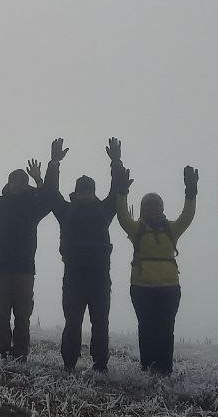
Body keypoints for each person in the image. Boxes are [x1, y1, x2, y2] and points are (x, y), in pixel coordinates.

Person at [0, 139, 63, 361]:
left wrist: (51, 167)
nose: (17, 184)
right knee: (0, 314)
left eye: (22, 182)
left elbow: (50, 195)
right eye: (14, 181)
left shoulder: (34, 207)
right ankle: (4, 352)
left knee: (23, 315)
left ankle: (20, 354)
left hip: (23, 270)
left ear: (26, 185)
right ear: (9, 183)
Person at [112, 148, 198, 376]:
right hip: (142, 287)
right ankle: (148, 368)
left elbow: (187, 216)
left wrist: (191, 193)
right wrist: (121, 193)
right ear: (142, 209)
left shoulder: (172, 228)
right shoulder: (137, 228)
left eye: (155, 204)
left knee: (166, 329)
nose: (152, 208)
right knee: (146, 328)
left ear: (161, 207)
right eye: (147, 205)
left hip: (169, 288)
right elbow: (122, 215)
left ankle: (164, 369)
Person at [47, 138, 122, 373]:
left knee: (101, 324)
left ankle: (100, 365)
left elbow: (117, 190)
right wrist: (54, 163)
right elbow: (51, 192)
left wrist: (116, 162)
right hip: (74, 279)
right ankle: (69, 363)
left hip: (100, 279)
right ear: (76, 192)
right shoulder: (65, 211)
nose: (85, 195)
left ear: (93, 192)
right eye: (81, 191)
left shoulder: (106, 210)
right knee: (73, 323)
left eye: (88, 191)